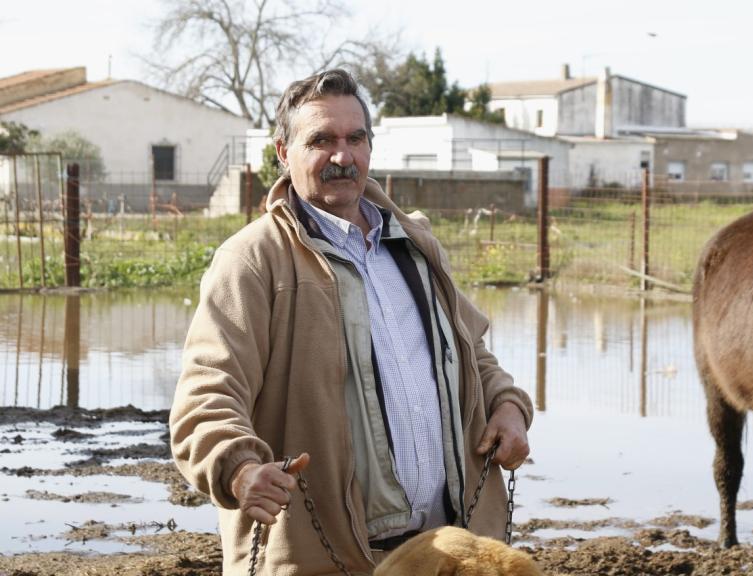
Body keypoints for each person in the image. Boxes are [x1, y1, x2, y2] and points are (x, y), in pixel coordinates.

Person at [170, 68, 532, 575]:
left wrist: (508, 406)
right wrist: (240, 469)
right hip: (323, 557)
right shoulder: (253, 261)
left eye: (355, 139)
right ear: (283, 152)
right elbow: (207, 396)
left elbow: (472, 354)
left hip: (439, 555)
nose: (343, 157)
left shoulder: (414, 244)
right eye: (322, 140)